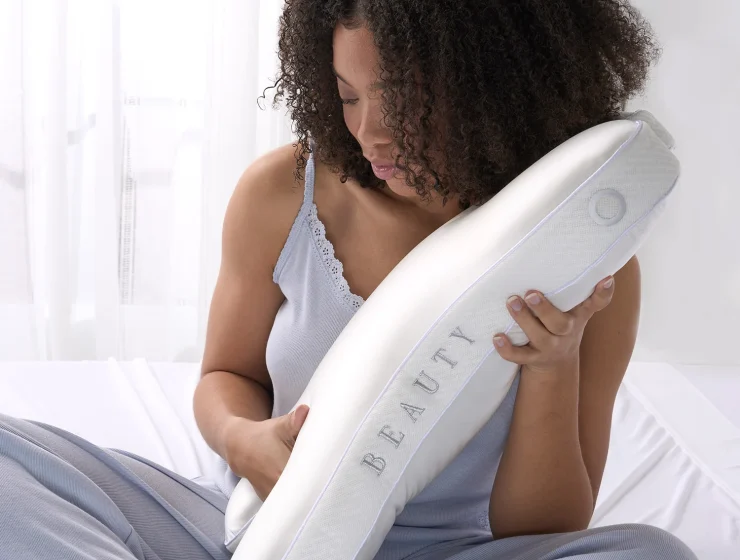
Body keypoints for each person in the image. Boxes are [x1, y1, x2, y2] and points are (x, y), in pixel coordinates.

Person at [0, 1, 696, 560]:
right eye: (347, 96)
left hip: (449, 550)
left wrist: (551, 366)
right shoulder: (284, 193)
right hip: (249, 529)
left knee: (653, 552)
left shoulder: (583, 269)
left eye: (400, 99)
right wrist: (243, 440)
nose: (371, 133)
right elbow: (224, 374)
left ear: (495, 84)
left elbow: (545, 528)